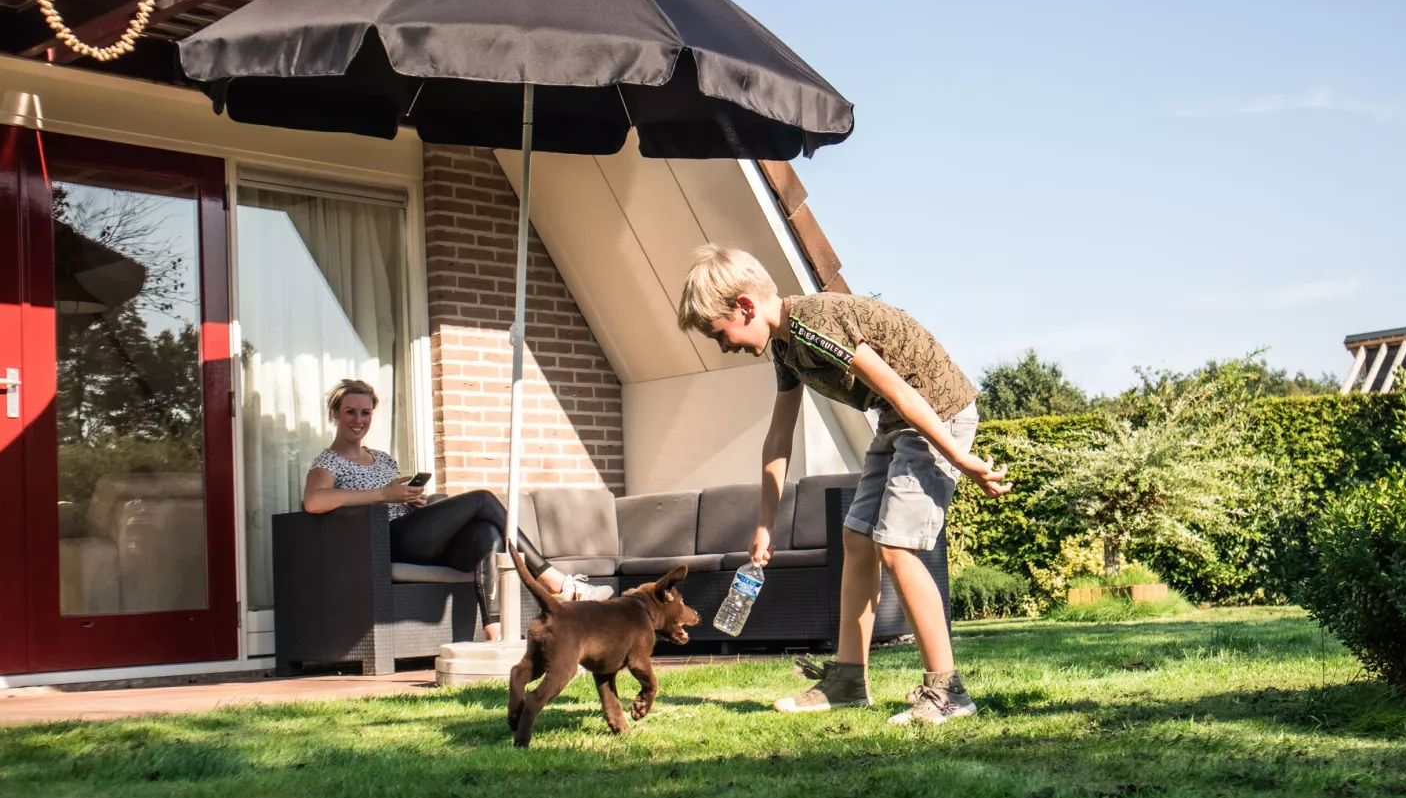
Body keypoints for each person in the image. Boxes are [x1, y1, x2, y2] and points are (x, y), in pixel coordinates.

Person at [676, 246, 1011, 725]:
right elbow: (778, 437)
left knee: (896, 547)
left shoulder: (815, 324)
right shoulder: (787, 348)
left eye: (718, 332)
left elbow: (898, 388)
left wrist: (960, 458)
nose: (722, 345)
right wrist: (765, 525)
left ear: (746, 306)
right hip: (898, 421)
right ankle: (848, 680)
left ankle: (948, 690)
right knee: (857, 538)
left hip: (936, 413)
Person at [302, 379, 611, 641]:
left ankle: (494, 631)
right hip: (384, 543)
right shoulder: (328, 462)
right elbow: (314, 501)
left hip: (415, 535)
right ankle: (556, 581)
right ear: (335, 415)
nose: (358, 420)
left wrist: (409, 499)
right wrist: (384, 494)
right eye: (350, 412)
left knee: (486, 533)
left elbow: (393, 498)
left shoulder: (382, 459)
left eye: (365, 412)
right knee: (483, 499)